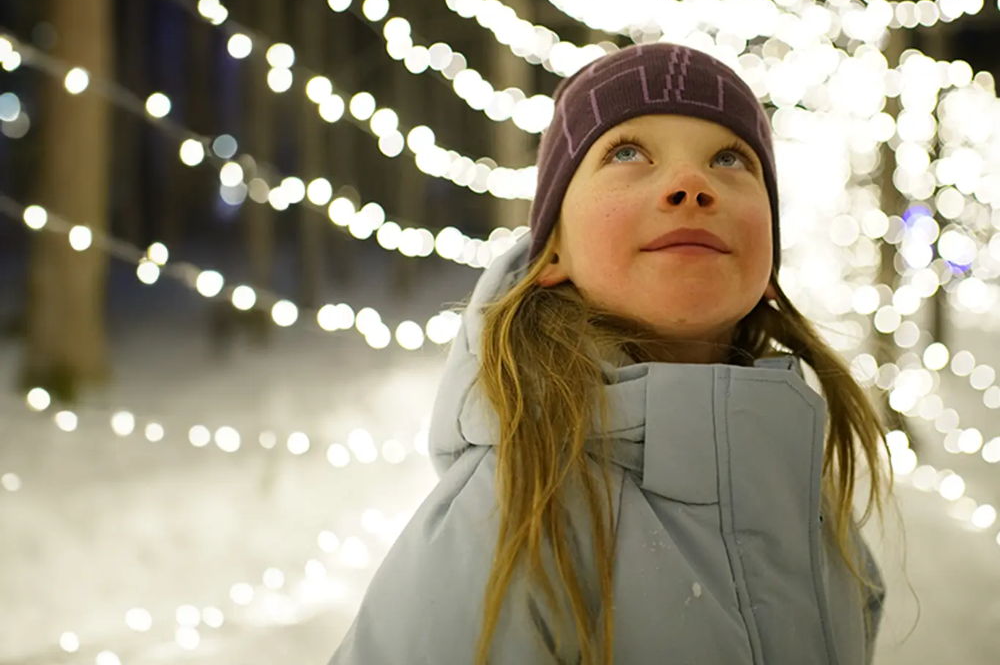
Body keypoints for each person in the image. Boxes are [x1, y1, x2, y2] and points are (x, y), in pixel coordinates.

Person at [327, 41, 893, 665]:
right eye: (626, 152)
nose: (691, 185)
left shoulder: (806, 501)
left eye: (730, 158)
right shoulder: (509, 521)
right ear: (552, 252)